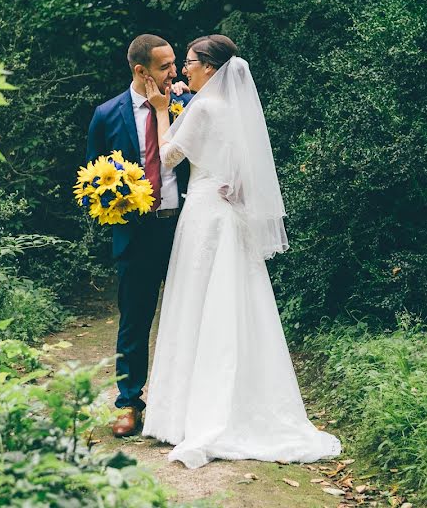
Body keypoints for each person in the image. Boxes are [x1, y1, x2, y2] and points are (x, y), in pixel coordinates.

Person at [140, 34, 342, 468]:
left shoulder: (205, 107)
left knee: (195, 306)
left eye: (190, 62)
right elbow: (247, 175)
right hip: (228, 218)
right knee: (235, 309)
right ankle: (242, 403)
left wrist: (161, 113)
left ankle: (188, 416)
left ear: (210, 69)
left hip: (203, 217)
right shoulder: (235, 111)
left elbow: (169, 157)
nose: (184, 70)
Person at [85, 34, 193, 437]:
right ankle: (129, 402)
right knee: (134, 319)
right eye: (165, 66)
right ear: (140, 70)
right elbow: (90, 178)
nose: (173, 72)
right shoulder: (106, 114)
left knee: (189, 315)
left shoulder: (186, 105)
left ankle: (183, 405)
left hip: (184, 227)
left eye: (175, 64)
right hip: (135, 235)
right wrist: (111, 207)